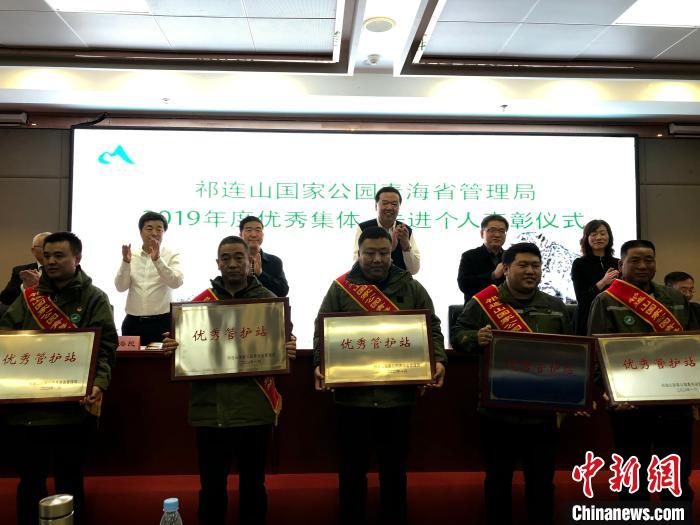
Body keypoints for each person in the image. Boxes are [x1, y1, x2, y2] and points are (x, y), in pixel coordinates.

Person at [314, 226, 446, 525]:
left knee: (394, 470)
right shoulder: (340, 288)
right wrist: (320, 363)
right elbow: (322, 330)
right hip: (353, 399)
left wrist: (438, 359)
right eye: (370, 253)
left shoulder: (411, 287)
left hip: (397, 398)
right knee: (351, 471)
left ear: (392, 253)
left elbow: (433, 328)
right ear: (358, 254)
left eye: (384, 253)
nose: (377, 259)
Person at [163, 235, 295, 525]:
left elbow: (283, 344)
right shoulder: (198, 305)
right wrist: (174, 348)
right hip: (210, 411)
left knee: (253, 485)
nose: (232, 263)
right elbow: (186, 350)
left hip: (254, 410)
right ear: (218, 263)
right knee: (211, 488)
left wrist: (287, 347)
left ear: (251, 261)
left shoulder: (270, 302)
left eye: (239, 257)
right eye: (226, 258)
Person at [0, 231, 117, 525]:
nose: (51, 261)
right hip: (28, 411)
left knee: (70, 480)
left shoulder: (94, 298)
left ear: (77, 258)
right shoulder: (29, 298)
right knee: (30, 482)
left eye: (59, 256)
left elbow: (105, 348)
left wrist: (99, 383)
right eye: (47, 256)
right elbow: (6, 338)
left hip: (72, 411)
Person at [451, 242, 571, 525]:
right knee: (497, 480)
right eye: (523, 265)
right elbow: (457, 334)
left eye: (536, 266)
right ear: (505, 269)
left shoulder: (556, 307)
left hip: (542, 415)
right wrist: (474, 338)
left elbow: (571, 354)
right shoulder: (484, 302)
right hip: (498, 413)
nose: (531, 271)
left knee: (541, 483)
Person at [588, 240, 697, 502]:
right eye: (635, 260)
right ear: (621, 264)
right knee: (633, 477)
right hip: (629, 405)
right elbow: (596, 352)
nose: (643, 266)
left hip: (674, 402)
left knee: (675, 475)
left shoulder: (675, 299)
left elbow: (693, 345)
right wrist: (611, 392)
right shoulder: (606, 301)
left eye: (649, 259)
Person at [114, 211, 183, 345]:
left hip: (162, 323)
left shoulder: (171, 255)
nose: (154, 233)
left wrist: (157, 260)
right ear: (141, 232)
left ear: (164, 232)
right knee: (131, 359)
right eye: (149, 228)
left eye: (159, 229)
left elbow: (176, 282)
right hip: (133, 323)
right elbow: (120, 287)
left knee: (163, 358)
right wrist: (125, 262)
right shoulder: (131, 256)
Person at [353, 186, 420, 275]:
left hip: (400, 281)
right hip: (371, 282)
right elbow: (355, 265)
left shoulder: (405, 231)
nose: (389, 207)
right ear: (376, 206)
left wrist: (406, 247)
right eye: (385, 203)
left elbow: (414, 270)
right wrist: (389, 249)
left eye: (394, 204)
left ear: (399, 207)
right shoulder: (364, 228)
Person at [570, 219, 619, 335]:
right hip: (587, 318)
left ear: (609, 236)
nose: (598, 237)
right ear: (586, 238)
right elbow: (582, 299)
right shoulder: (579, 264)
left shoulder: (618, 263)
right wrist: (603, 282)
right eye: (594, 234)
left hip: (613, 316)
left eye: (603, 233)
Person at [457, 215, 508, 303]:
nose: (497, 235)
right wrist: (493, 275)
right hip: (477, 307)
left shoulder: (510, 257)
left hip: (505, 307)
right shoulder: (469, 256)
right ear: (482, 234)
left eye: (501, 231)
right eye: (492, 230)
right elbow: (464, 285)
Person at [239, 215, 289, 297]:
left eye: (258, 230)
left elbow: (283, 292)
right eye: (249, 230)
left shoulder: (274, 261)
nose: (253, 235)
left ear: (263, 234)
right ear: (240, 235)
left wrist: (261, 274)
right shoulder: (235, 261)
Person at [0, 231, 51, 305]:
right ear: (33, 251)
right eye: (44, 247)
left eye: (52, 248)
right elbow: (5, 299)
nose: (49, 251)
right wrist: (24, 287)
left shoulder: (63, 270)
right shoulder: (21, 271)